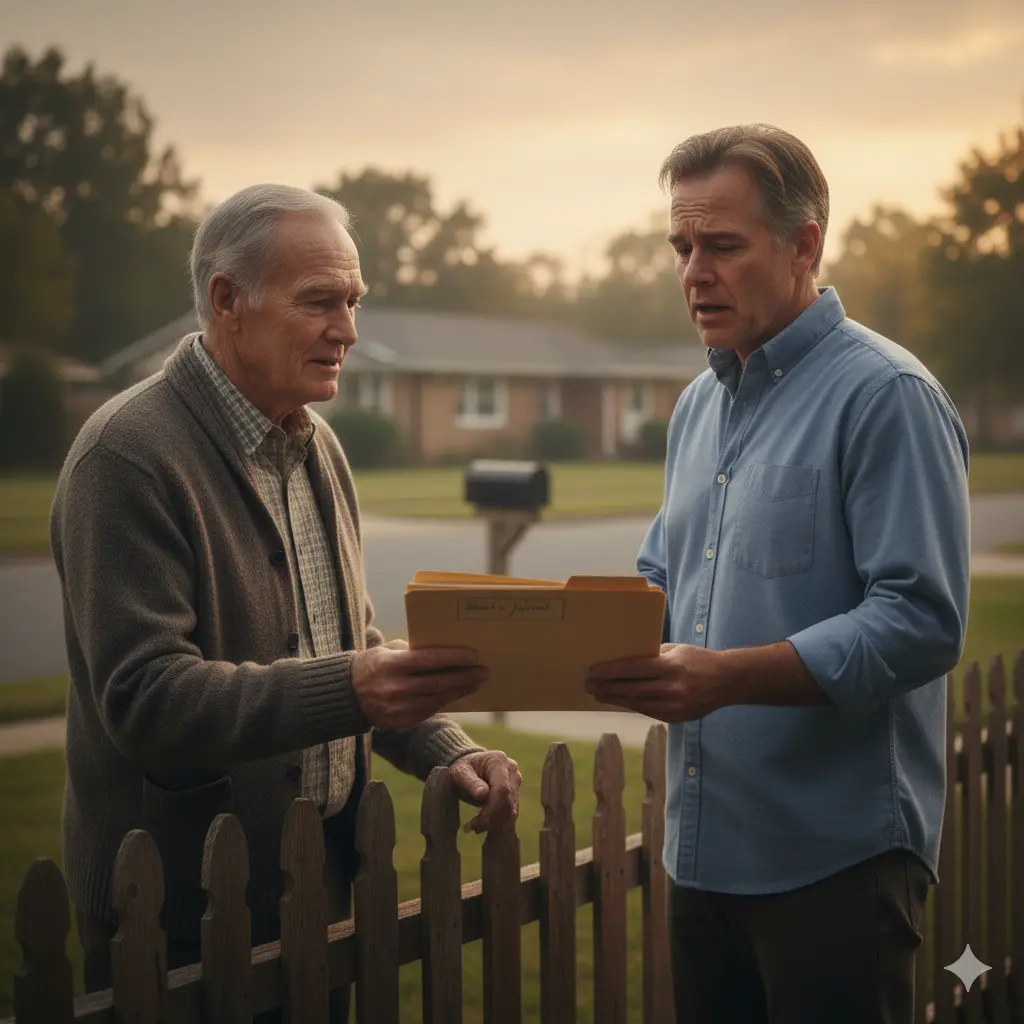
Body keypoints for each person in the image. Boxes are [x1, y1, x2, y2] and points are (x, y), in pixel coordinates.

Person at [49, 184, 522, 1022]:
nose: (348, 330)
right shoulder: (125, 457)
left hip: (318, 893)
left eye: (353, 301)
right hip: (175, 921)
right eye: (319, 301)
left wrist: (444, 749)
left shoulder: (316, 442)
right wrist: (354, 685)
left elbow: (352, 645)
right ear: (227, 300)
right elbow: (145, 698)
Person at [585, 124, 970, 1023]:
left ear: (804, 246)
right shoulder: (697, 407)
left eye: (722, 245)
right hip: (700, 856)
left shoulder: (887, 396)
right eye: (681, 248)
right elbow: (662, 581)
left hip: (836, 863)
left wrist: (725, 677)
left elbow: (920, 619)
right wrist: (544, 639)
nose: (694, 273)